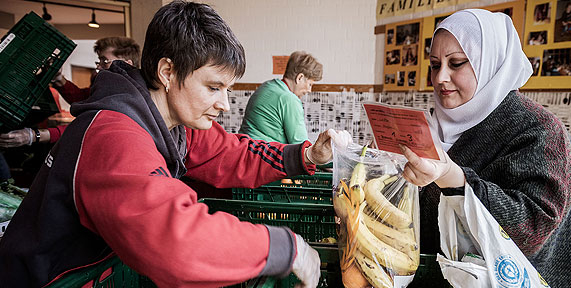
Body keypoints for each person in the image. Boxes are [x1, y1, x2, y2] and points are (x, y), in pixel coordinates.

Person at [0, 2, 352, 287]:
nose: (225, 104)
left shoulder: (178, 123)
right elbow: (175, 242)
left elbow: (232, 153)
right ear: (167, 72)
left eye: (227, 90)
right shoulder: (114, 135)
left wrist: (306, 154)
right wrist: (285, 249)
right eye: (214, 88)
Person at [399, 9, 571, 288]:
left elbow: (530, 229)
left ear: (491, 63)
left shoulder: (539, 131)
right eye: (436, 65)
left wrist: (455, 179)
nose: (440, 78)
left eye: (457, 63)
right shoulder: (435, 126)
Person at [0, 37, 141, 148]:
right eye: (98, 62)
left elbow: (86, 128)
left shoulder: (126, 97)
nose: (99, 68)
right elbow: (82, 97)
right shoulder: (106, 90)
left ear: (127, 64)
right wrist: (59, 79)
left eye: (105, 61)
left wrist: (34, 136)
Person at [239, 51, 322, 144]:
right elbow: (301, 145)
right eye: (310, 84)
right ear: (300, 78)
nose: (309, 90)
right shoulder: (289, 99)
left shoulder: (267, 86)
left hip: (245, 148)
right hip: (263, 155)